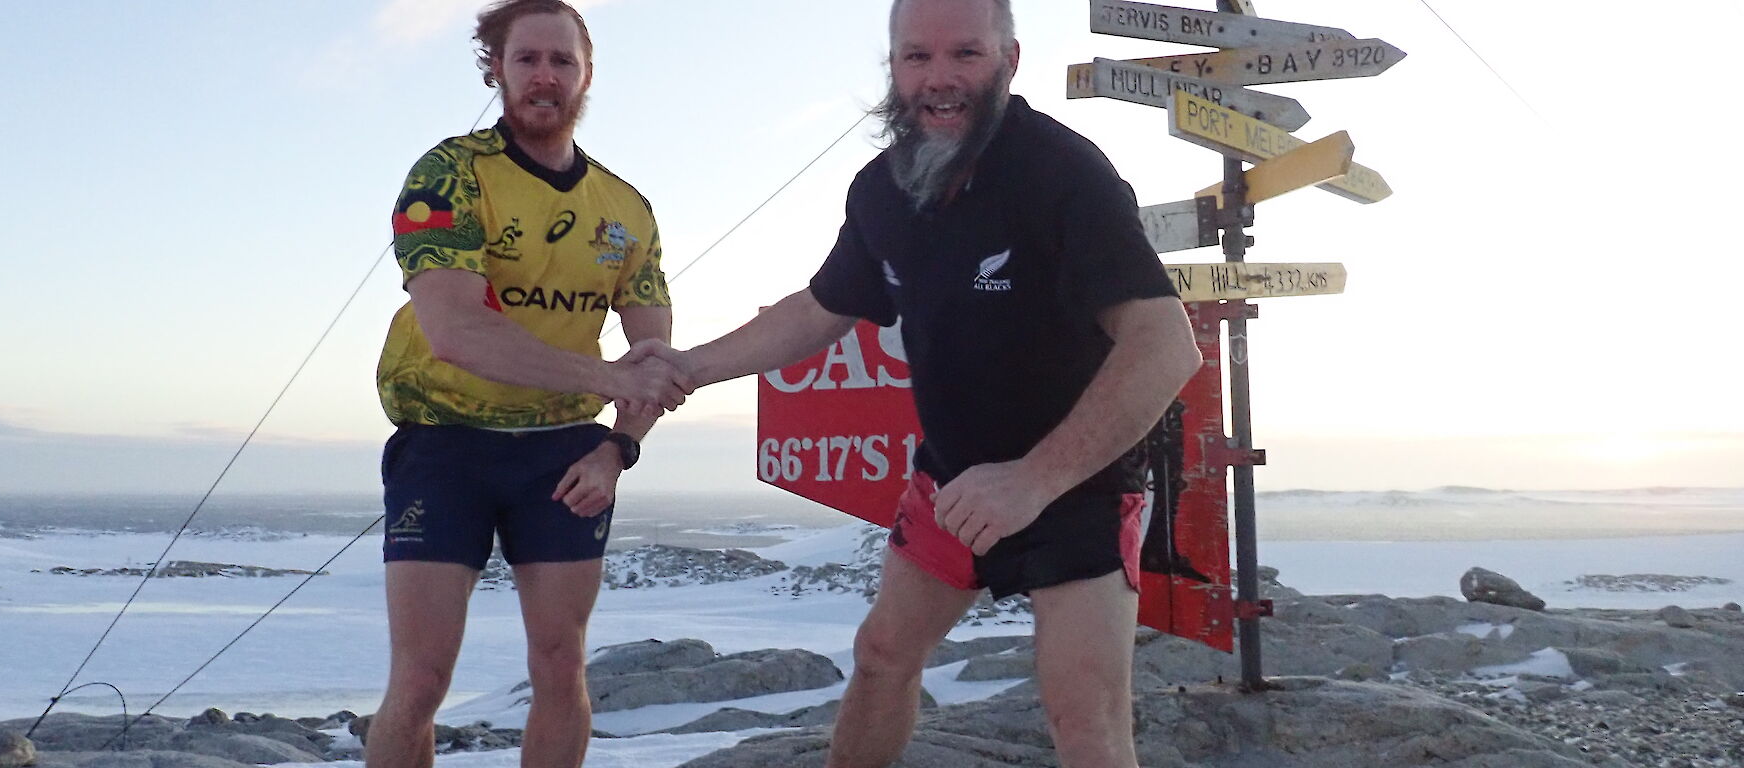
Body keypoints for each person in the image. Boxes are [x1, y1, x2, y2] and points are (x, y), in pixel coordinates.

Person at [626, 0, 1201, 765]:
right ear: (892, 67)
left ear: (1009, 60)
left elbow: (1167, 346)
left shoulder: (1062, 173)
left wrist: (1032, 480)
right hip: (951, 481)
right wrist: (688, 367)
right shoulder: (881, 189)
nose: (939, 80)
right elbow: (822, 308)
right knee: (881, 656)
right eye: (916, 58)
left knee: (1084, 718)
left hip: (1078, 484)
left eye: (965, 55)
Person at [365, 2, 690, 766]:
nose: (545, 76)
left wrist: (618, 450)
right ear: (498, 70)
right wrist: (604, 376)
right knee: (419, 680)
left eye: (561, 61)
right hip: (445, 444)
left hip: (566, 455)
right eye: (527, 60)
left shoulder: (627, 209)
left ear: (586, 73)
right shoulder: (448, 174)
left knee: (559, 666)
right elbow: (457, 332)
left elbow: (655, 360)